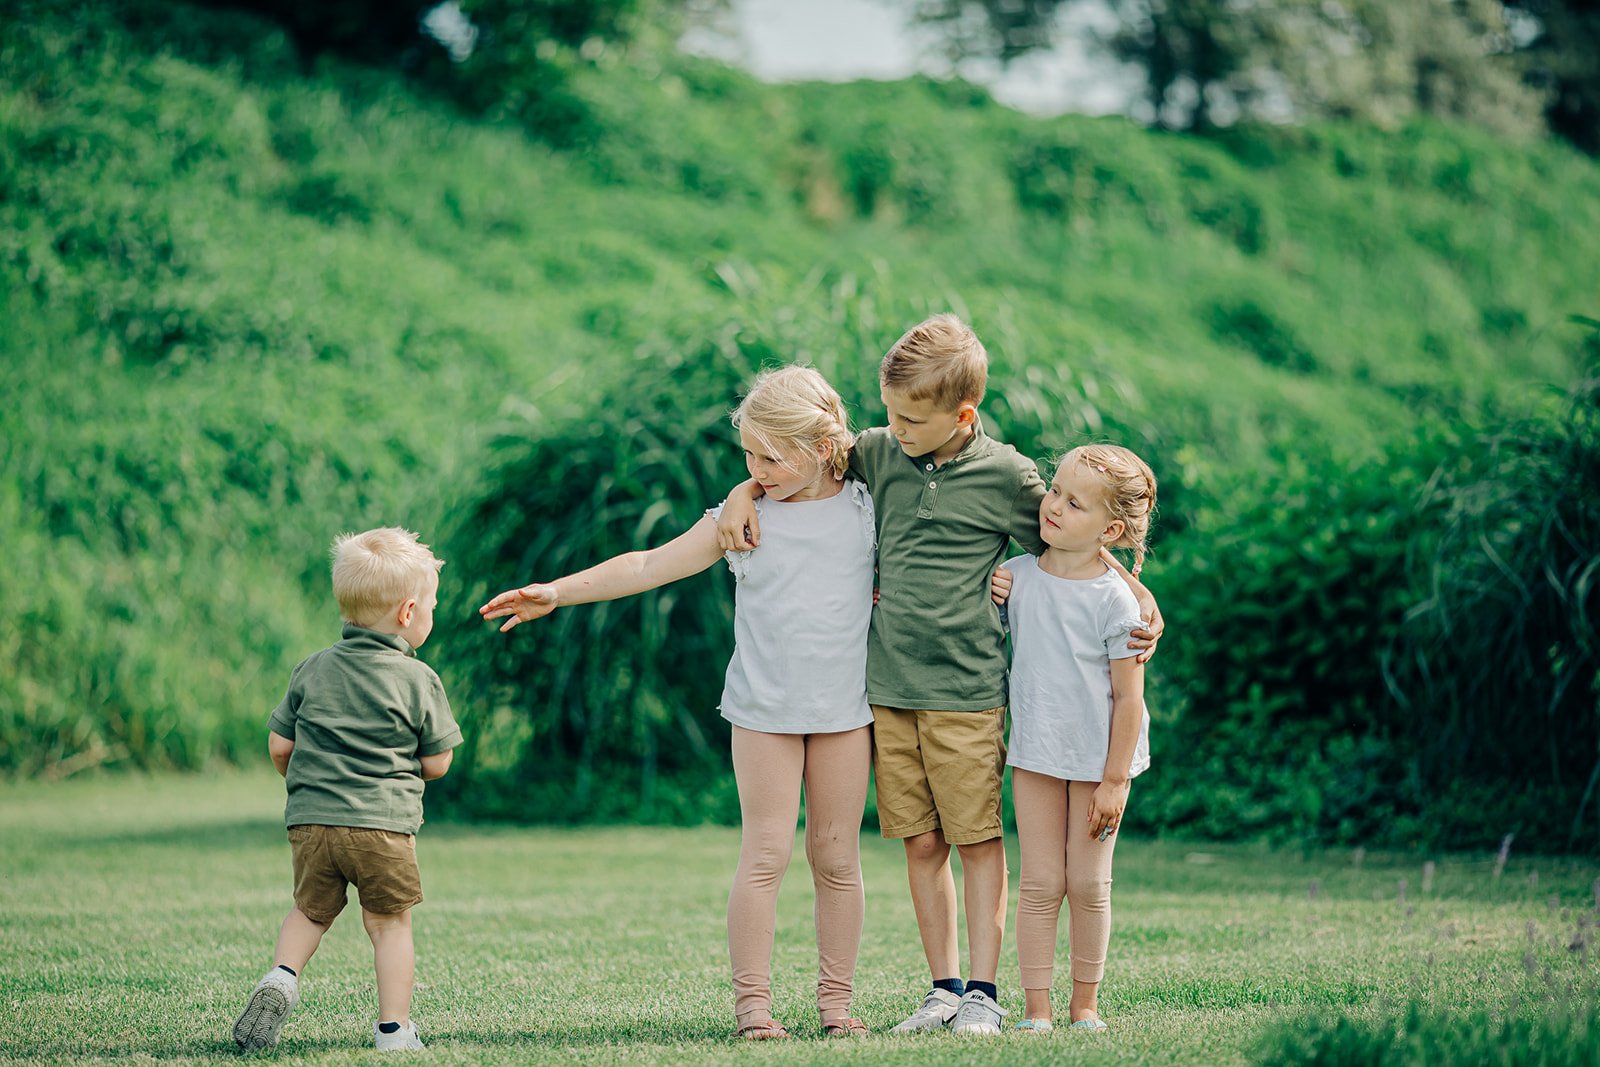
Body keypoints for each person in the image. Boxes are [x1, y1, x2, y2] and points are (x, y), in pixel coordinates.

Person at [715, 315, 1163, 1036]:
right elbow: (796, 457)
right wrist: (743, 492)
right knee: (920, 844)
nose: (890, 427)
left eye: (908, 418)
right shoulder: (881, 452)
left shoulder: (1009, 475)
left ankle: (985, 992)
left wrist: (1136, 588)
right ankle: (945, 989)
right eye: (888, 412)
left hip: (967, 692)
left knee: (977, 840)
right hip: (887, 693)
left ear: (963, 415)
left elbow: (1070, 534)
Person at [480, 366, 876, 1039]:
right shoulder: (738, 519)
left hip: (846, 712)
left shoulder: (868, 502)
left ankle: (837, 1007)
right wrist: (558, 590)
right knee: (766, 854)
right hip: (763, 712)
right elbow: (646, 564)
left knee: (837, 859)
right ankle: (754, 1009)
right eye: (746, 455)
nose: (756, 468)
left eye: (769, 457)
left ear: (819, 447)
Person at [233, 527, 462, 1053]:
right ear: (407, 614)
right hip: (382, 826)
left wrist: (308, 785)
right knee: (389, 925)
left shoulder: (311, 668)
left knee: (309, 912)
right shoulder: (418, 679)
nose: (431, 614)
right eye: (430, 606)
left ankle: (282, 976)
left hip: (312, 822)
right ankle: (393, 1030)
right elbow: (438, 761)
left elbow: (279, 746)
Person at [998, 444, 1156, 1034]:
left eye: (1075, 502)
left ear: (1111, 529)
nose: (1054, 506)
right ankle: (1036, 1011)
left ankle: (1084, 1004)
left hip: (1098, 762)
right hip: (1036, 753)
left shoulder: (1116, 601)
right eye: (1055, 490)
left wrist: (1115, 781)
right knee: (1040, 883)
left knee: (1088, 883)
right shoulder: (1014, 578)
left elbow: (1129, 699)